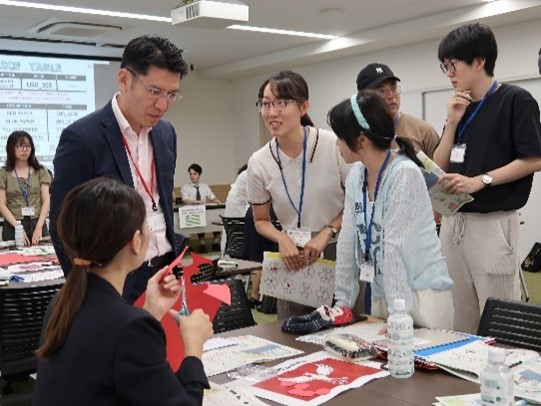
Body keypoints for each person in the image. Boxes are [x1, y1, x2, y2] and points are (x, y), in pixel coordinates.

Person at [283, 91, 454, 334]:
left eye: (341, 137)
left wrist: (399, 314)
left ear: (362, 141)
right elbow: (347, 240)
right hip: (386, 293)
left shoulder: (404, 174)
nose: (337, 143)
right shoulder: (356, 175)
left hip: (422, 295)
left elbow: (397, 248)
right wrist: (342, 303)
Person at [33, 177, 213, 405]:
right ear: (136, 242)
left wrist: (150, 311)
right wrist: (194, 345)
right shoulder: (129, 327)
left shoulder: (63, 302)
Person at [50, 35, 187, 303]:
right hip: (115, 280)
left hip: (165, 272)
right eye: (154, 91)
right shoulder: (83, 138)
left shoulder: (166, 134)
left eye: (171, 94)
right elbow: (61, 224)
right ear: (124, 80)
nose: (163, 105)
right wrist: (87, 291)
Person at [434, 23, 541, 334]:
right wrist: (451, 123)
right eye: (445, 66)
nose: (449, 73)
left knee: (498, 316)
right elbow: (440, 165)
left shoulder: (516, 100)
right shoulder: (460, 106)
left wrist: (481, 180)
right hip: (453, 221)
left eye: (453, 64)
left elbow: (534, 158)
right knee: (458, 315)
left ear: (479, 61)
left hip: (492, 224)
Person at [247, 70, 351, 319]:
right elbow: (260, 220)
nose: (272, 112)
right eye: (266, 104)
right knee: (290, 329)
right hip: (292, 255)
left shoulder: (332, 145)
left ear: (304, 107)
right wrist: (281, 238)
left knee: (342, 326)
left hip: (337, 250)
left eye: (281, 103)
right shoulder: (259, 162)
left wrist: (328, 231)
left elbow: (357, 202)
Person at [356, 63, 440, 158]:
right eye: (381, 91)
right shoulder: (358, 135)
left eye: (393, 88)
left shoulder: (422, 130)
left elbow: (441, 166)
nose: (391, 95)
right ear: (364, 98)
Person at [0, 131, 51, 245]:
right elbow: (2, 205)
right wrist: (18, 228)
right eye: (20, 146)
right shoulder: (3, 173)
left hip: (38, 224)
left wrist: (39, 227)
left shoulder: (41, 171)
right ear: (11, 148)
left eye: (28, 146)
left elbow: (46, 201)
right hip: (13, 225)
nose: (25, 150)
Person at [180, 163, 221, 253]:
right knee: (199, 220)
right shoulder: (185, 187)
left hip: (204, 211)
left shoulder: (205, 186)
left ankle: (215, 242)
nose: (192, 176)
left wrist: (216, 201)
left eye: (194, 174)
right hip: (191, 213)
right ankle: (201, 243)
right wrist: (198, 202)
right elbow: (185, 200)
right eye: (190, 174)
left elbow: (212, 197)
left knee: (216, 217)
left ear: (199, 175)